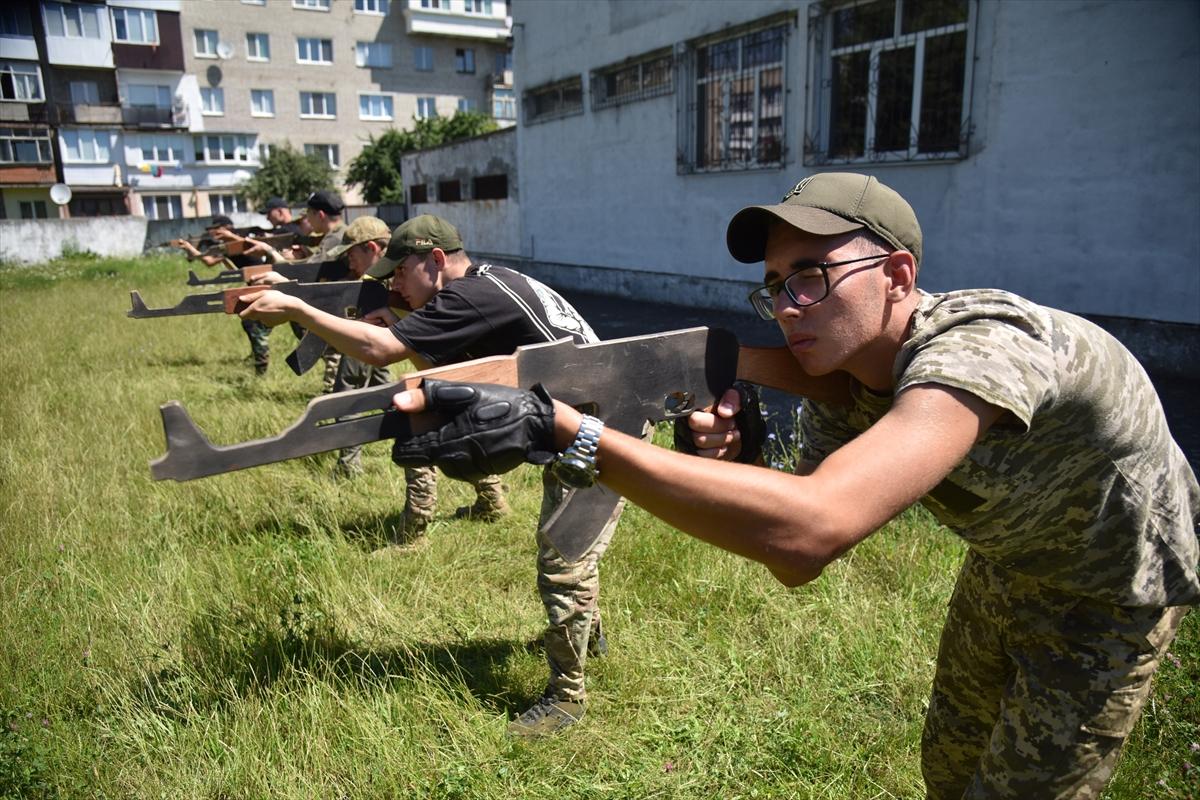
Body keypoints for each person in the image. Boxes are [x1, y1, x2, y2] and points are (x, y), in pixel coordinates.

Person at [388, 173, 1198, 795]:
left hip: (1108, 589)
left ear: (899, 272)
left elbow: (815, 524)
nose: (786, 307)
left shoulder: (981, 345)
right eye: (774, 287)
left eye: (810, 277)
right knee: (950, 765)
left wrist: (574, 434)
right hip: (1008, 560)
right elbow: (795, 558)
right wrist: (735, 458)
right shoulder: (850, 389)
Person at [239, 214, 624, 736]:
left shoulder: (467, 298)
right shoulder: (488, 280)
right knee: (572, 548)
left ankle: (566, 700)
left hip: (600, 429)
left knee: (563, 559)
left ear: (436, 260)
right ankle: (588, 635)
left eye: (399, 273)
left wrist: (299, 308)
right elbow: (424, 338)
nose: (393, 283)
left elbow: (382, 350)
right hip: (593, 415)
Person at [250, 215, 396, 477]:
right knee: (388, 392)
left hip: (379, 339)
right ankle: (407, 435)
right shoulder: (384, 272)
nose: (348, 260)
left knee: (347, 395)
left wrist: (287, 289)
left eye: (352, 254)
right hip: (381, 341)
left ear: (372, 248)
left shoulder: (391, 276)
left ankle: (348, 467)